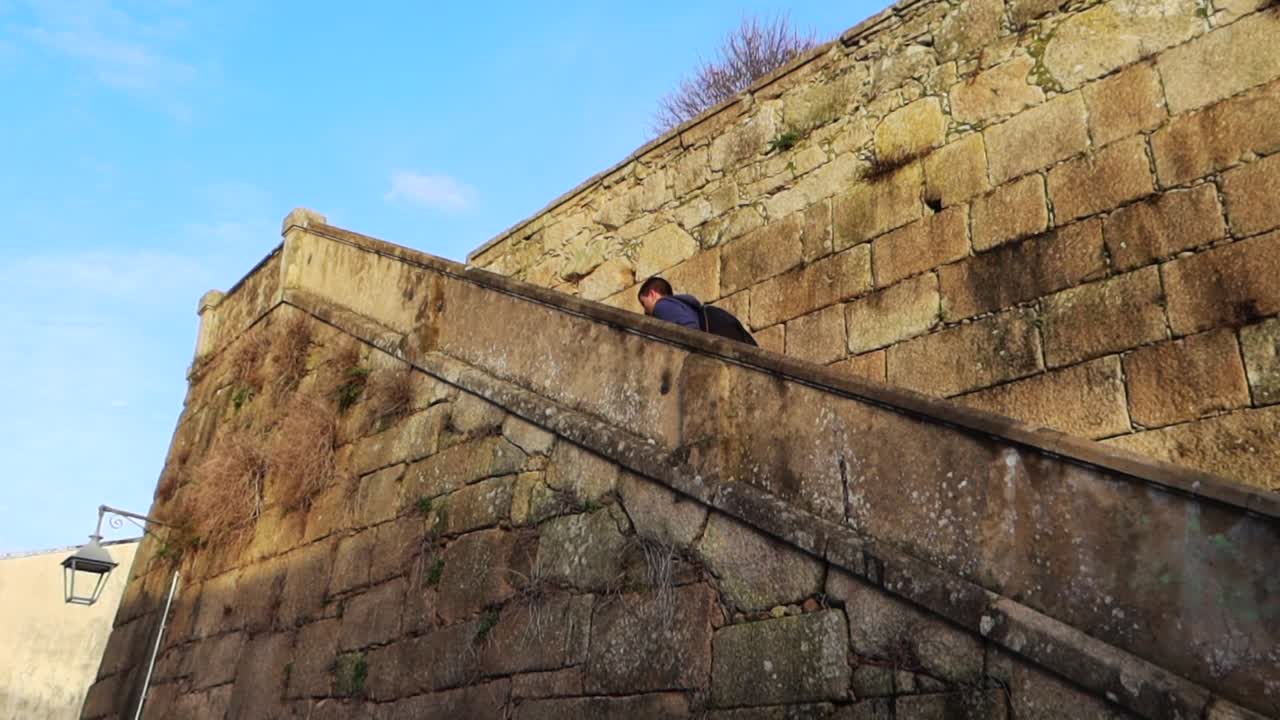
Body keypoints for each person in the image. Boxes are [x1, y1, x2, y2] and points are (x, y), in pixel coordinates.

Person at [637, 276, 758, 345]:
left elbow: (689, 328)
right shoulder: (683, 305)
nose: (646, 311)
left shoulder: (661, 305)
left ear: (652, 294)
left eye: (644, 303)